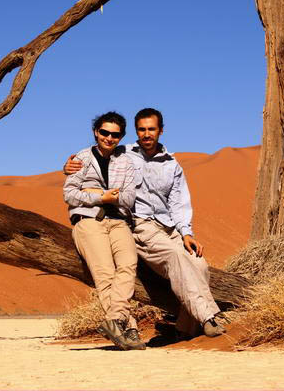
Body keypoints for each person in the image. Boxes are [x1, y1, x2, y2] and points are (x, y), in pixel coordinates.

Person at [64, 108, 225, 339]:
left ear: (161, 130)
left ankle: (184, 329)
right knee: (176, 257)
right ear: (136, 132)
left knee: (199, 265)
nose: (146, 134)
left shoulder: (172, 164)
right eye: (142, 129)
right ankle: (209, 318)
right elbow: (96, 157)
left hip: (169, 227)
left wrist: (186, 233)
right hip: (142, 225)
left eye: (151, 129)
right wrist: (67, 168)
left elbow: (178, 203)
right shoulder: (124, 154)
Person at [63, 111, 145, 350]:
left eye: (115, 135)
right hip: (88, 221)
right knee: (106, 275)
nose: (109, 138)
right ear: (95, 132)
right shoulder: (82, 158)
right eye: (104, 133)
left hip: (119, 221)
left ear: (121, 137)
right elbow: (69, 194)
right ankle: (129, 327)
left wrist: (92, 192)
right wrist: (102, 196)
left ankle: (113, 320)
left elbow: (128, 198)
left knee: (128, 265)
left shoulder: (126, 161)